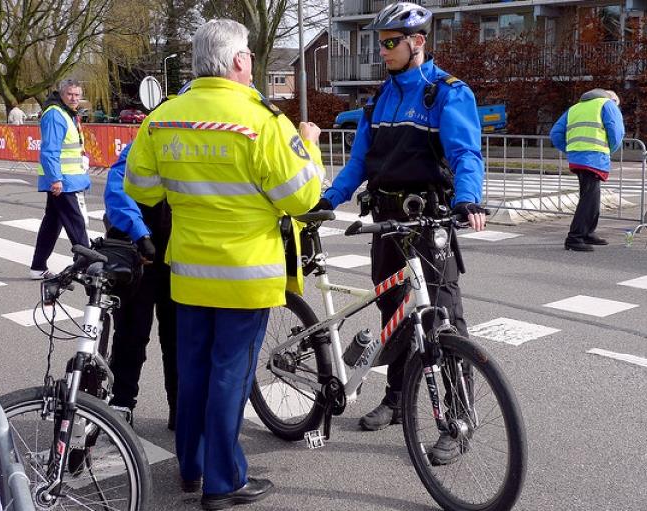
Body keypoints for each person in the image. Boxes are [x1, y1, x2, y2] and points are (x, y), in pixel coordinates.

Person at [124, 19, 323, 510]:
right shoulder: (263, 121)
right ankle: (224, 482)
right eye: (251, 55)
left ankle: (189, 469)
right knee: (230, 376)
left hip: (189, 272)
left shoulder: (165, 118)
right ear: (238, 61)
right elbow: (301, 197)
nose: (252, 62)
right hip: (246, 276)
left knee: (192, 372)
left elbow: (141, 189)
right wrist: (311, 147)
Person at [313, 2, 486, 465]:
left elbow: (467, 153)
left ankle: (457, 419)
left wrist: (467, 197)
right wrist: (329, 199)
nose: (383, 50)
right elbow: (358, 164)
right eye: (379, 42)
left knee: (442, 318)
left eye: (391, 42)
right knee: (394, 313)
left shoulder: (445, 93)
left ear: (418, 42)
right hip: (386, 221)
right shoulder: (379, 98)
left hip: (429, 223)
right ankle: (396, 398)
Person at [103, 143, 178, 429]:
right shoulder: (148, 138)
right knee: (132, 335)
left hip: (179, 256)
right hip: (139, 254)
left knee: (178, 338)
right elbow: (118, 188)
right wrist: (140, 233)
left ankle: (179, 407)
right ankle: (122, 403)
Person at [30, 78, 91, 279]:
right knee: (76, 223)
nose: (74, 98)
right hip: (63, 181)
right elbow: (50, 151)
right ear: (61, 94)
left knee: (52, 223)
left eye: (77, 95)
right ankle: (87, 266)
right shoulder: (56, 115)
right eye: (69, 94)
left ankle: (38, 267)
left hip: (66, 178)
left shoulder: (65, 113)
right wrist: (55, 179)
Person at [550, 88, 625, 252]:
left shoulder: (575, 108)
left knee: (591, 196)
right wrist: (609, 150)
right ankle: (574, 237)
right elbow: (616, 132)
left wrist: (571, 149)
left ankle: (588, 232)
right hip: (594, 157)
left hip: (578, 158)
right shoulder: (607, 104)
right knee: (589, 199)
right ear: (614, 101)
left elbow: (555, 134)